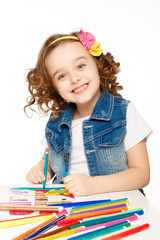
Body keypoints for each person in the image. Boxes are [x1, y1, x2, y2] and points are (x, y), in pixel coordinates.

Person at [25, 29, 152, 197]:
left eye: (80, 66)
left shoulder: (123, 112)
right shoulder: (56, 121)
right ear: (54, 87)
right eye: (62, 76)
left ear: (97, 65)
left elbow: (141, 174)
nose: (74, 78)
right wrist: (42, 168)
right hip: (67, 208)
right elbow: (48, 158)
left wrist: (94, 185)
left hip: (117, 209)